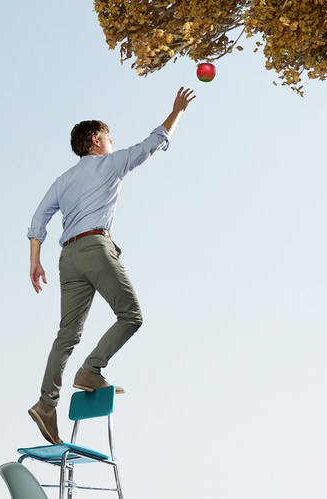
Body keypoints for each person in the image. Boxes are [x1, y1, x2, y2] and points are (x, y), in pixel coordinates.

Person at [26, 87, 196, 444]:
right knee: (131, 314)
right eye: (108, 137)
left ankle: (45, 404)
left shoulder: (63, 180)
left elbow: (39, 217)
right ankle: (91, 370)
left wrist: (35, 262)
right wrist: (176, 111)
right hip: (95, 247)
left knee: (66, 335)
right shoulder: (109, 164)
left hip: (67, 258)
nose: (112, 142)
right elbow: (151, 144)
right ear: (95, 141)